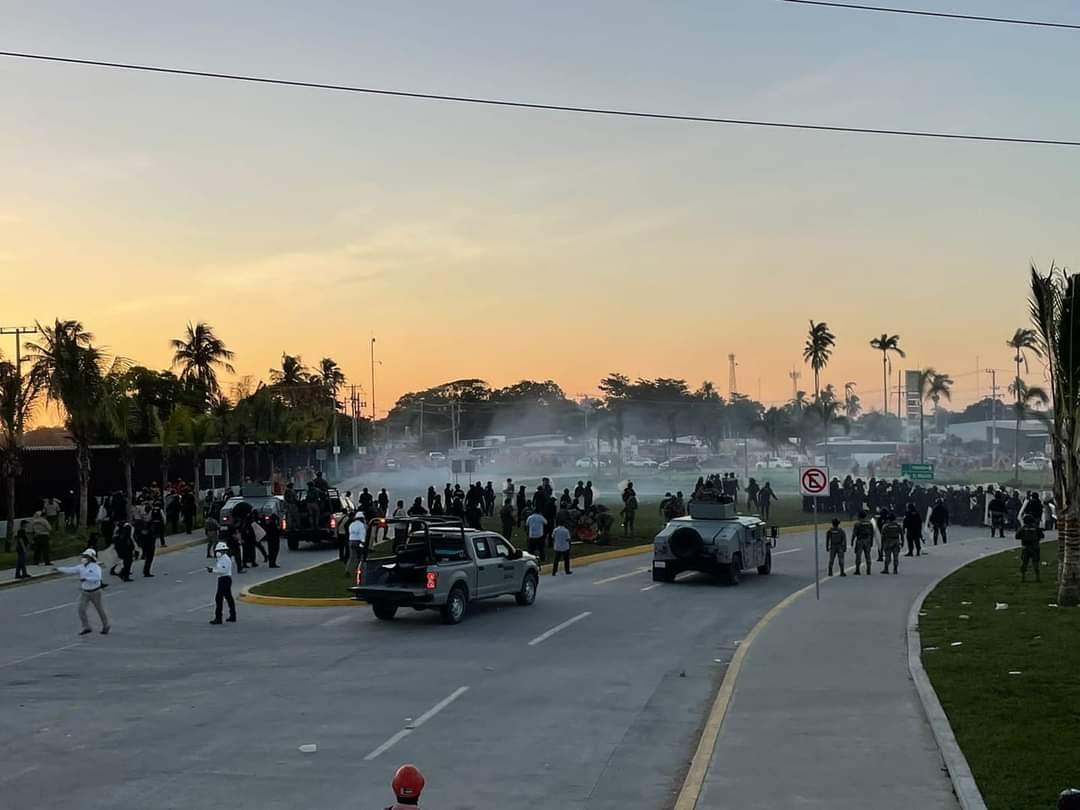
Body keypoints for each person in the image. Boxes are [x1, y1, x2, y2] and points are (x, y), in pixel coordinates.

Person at [54, 549, 110, 635]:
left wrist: (87, 579)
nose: (83, 558)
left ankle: (106, 625)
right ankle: (86, 627)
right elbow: (71, 569)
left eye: (86, 556)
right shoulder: (81, 567)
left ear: (91, 558)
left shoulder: (95, 567)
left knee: (99, 609)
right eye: (83, 556)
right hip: (85, 592)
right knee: (81, 610)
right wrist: (58, 569)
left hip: (95, 592)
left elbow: (98, 578)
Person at [207, 541, 237, 624]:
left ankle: (218, 618)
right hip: (223, 579)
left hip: (224, 579)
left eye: (219, 551)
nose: (217, 553)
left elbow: (223, 570)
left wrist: (212, 570)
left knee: (219, 598)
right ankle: (233, 615)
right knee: (228, 597)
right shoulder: (221, 559)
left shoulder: (225, 559)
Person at [1017, 514, 1044, 583]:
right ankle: (1037, 577)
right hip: (1035, 547)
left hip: (1025, 547)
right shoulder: (1036, 527)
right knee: (1035, 563)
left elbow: (1017, 536)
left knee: (1024, 563)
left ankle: (1023, 578)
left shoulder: (1023, 528)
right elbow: (1041, 536)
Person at [852, 511, 875, 576]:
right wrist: (871, 541)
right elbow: (872, 533)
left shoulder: (857, 524)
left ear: (859, 516)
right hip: (867, 540)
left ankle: (857, 570)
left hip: (859, 541)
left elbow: (854, 534)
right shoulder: (869, 524)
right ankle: (868, 570)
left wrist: (852, 541)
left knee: (858, 556)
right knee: (868, 555)